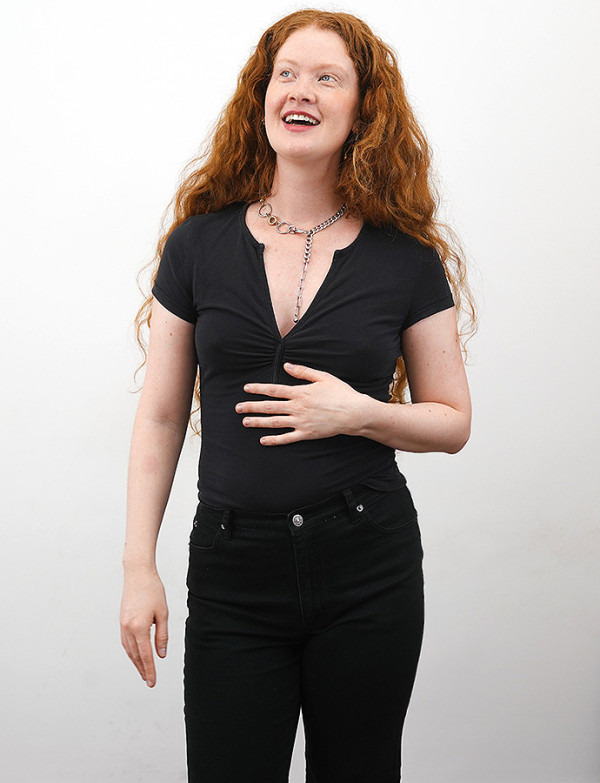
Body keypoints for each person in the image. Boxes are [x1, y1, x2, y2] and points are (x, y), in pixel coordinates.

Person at [120, 8, 475, 782]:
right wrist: (137, 565)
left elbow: (453, 421)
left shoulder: (406, 258)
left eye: (327, 77)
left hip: (366, 566)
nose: (301, 89)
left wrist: (361, 413)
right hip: (233, 569)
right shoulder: (198, 243)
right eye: (286, 73)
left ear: (363, 110)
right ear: (262, 95)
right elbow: (161, 414)